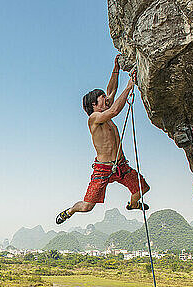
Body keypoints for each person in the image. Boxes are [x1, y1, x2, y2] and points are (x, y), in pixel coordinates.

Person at [56, 56, 149, 225]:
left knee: (143, 188)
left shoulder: (103, 111)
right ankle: (69, 211)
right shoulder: (95, 118)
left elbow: (112, 91)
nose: (106, 99)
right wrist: (129, 86)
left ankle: (133, 205)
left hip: (121, 165)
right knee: (87, 207)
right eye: (102, 98)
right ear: (94, 104)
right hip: (103, 169)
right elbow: (113, 111)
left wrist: (116, 68)